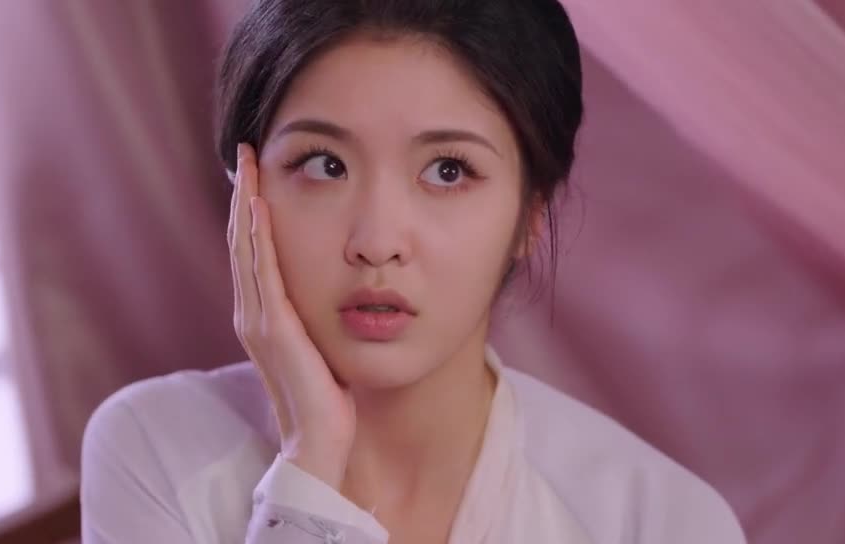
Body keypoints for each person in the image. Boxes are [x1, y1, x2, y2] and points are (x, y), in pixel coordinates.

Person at [81, 0, 747, 542]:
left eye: (448, 171)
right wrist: (312, 462)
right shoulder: (156, 450)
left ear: (530, 215)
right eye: (324, 165)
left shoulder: (660, 521)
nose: (377, 243)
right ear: (245, 191)